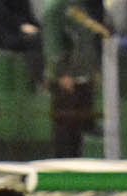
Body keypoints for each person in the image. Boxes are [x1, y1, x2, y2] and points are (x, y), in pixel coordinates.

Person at [41, 0, 100, 159]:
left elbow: (88, 40)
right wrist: (61, 72)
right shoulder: (56, 8)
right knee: (64, 129)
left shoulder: (82, 5)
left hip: (82, 76)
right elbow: (53, 42)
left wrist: (91, 69)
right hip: (65, 79)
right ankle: (62, 167)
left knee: (78, 129)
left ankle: (75, 165)